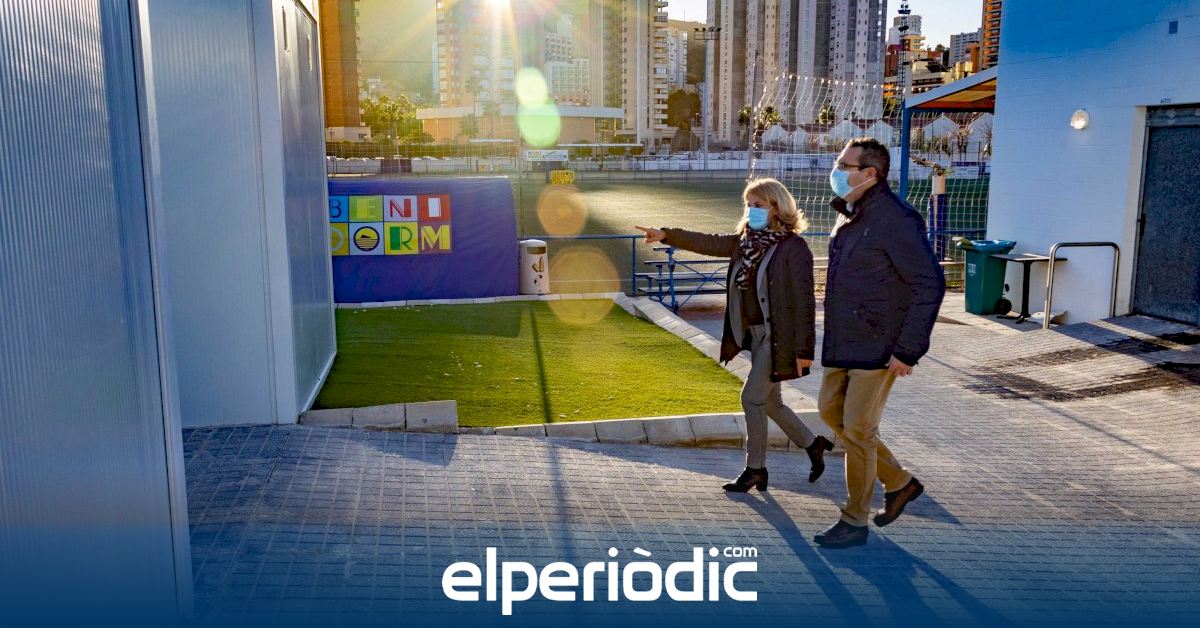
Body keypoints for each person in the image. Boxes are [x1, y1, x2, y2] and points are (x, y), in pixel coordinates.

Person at [635, 178, 834, 492]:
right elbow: (709, 242)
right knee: (771, 403)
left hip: (777, 338)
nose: (752, 210)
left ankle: (755, 469)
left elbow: (804, 303)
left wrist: (804, 351)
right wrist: (666, 234)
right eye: (748, 205)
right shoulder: (745, 241)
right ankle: (813, 444)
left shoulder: (793, 248)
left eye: (759, 205)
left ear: (777, 207)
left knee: (751, 398)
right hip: (754, 336)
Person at [812, 138, 946, 549]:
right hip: (843, 340)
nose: (836, 171)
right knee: (829, 412)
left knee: (858, 430)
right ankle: (900, 482)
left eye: (844, 165)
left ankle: (854, 521)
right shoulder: (850, 215)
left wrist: (908, 350)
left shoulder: (895, 219)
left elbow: (929, 283)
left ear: (870, 173)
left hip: (878, 345)